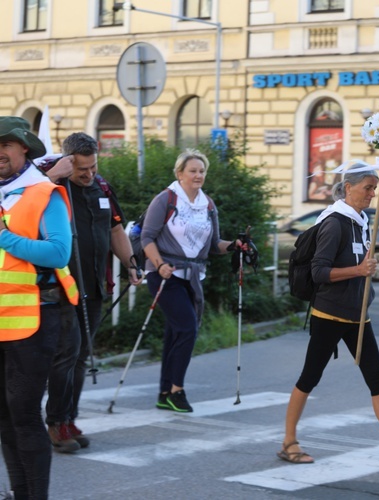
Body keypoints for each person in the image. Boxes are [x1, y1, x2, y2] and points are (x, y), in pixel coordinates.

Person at [277, 168, 379, 469]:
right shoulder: (334, 223)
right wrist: (358, 271)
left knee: (378, 380)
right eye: (367, 187)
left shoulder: (361, 223)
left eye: (375, 188)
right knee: (309, 377)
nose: (372, 193)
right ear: (348, 188)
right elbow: (319, 272)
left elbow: (356, 263)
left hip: (358, 315)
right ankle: (289, 441)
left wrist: (366, 267)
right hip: (329, 314)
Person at [42, 132, 142, 453]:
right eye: (81, 169)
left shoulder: (103, 188)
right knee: (65, 356)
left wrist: (130, 262)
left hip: (96, 286)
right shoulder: (52, 186)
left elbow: (115, 229)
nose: (88, 174)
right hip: (63, 287)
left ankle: (69, 417)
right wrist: (52, 177)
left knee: (81, 356)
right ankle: (56, 423)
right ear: (68, 161)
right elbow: (23, 206)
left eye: (93, 167)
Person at [0, 116, 77, 499]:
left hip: (34, 321)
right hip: (2, 322)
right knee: (4, 419)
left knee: (26, 416)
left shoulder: (42, 192)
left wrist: (4, 238)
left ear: (23, 149)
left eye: (5, 145)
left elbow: (59, 251)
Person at [140, 149, 244, 413]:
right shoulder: (166, 199)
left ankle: (164, 393)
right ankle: (177, 390)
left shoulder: (207, 205)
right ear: (180, 174)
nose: (198, 175)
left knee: (176, 332)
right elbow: (147, 238)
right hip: (164, 274)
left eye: (202, 171)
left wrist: (234, 246)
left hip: (193, 276)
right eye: (193, 171)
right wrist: (160, 264)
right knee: (187, 328)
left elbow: (213, 245)